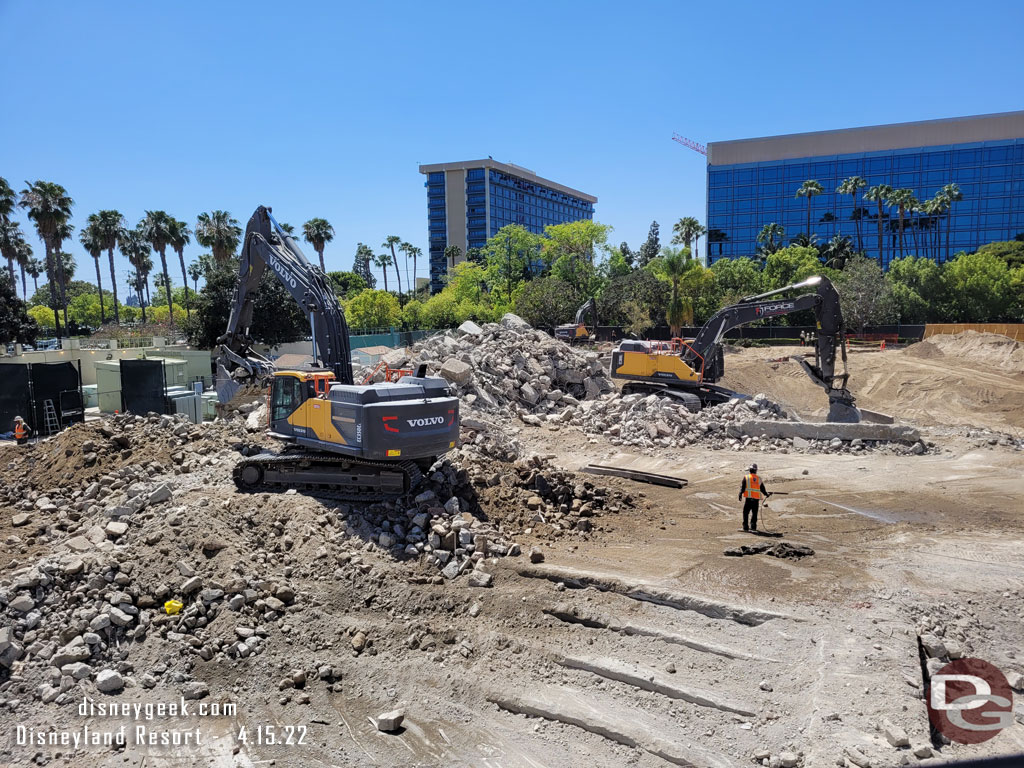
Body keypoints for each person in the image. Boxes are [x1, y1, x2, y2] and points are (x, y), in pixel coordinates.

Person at [738, 463, 771, 532]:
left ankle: (745, 527)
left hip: (749, 499)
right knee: (754, 513)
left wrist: (740, 494)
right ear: (756, 471)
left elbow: (743, 488)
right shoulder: (759, 479)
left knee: (746, 513)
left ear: (750, 470)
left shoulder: (746, 477)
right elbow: (763, 489)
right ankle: (753, 527)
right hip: (756, 499)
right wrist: (766, 494)